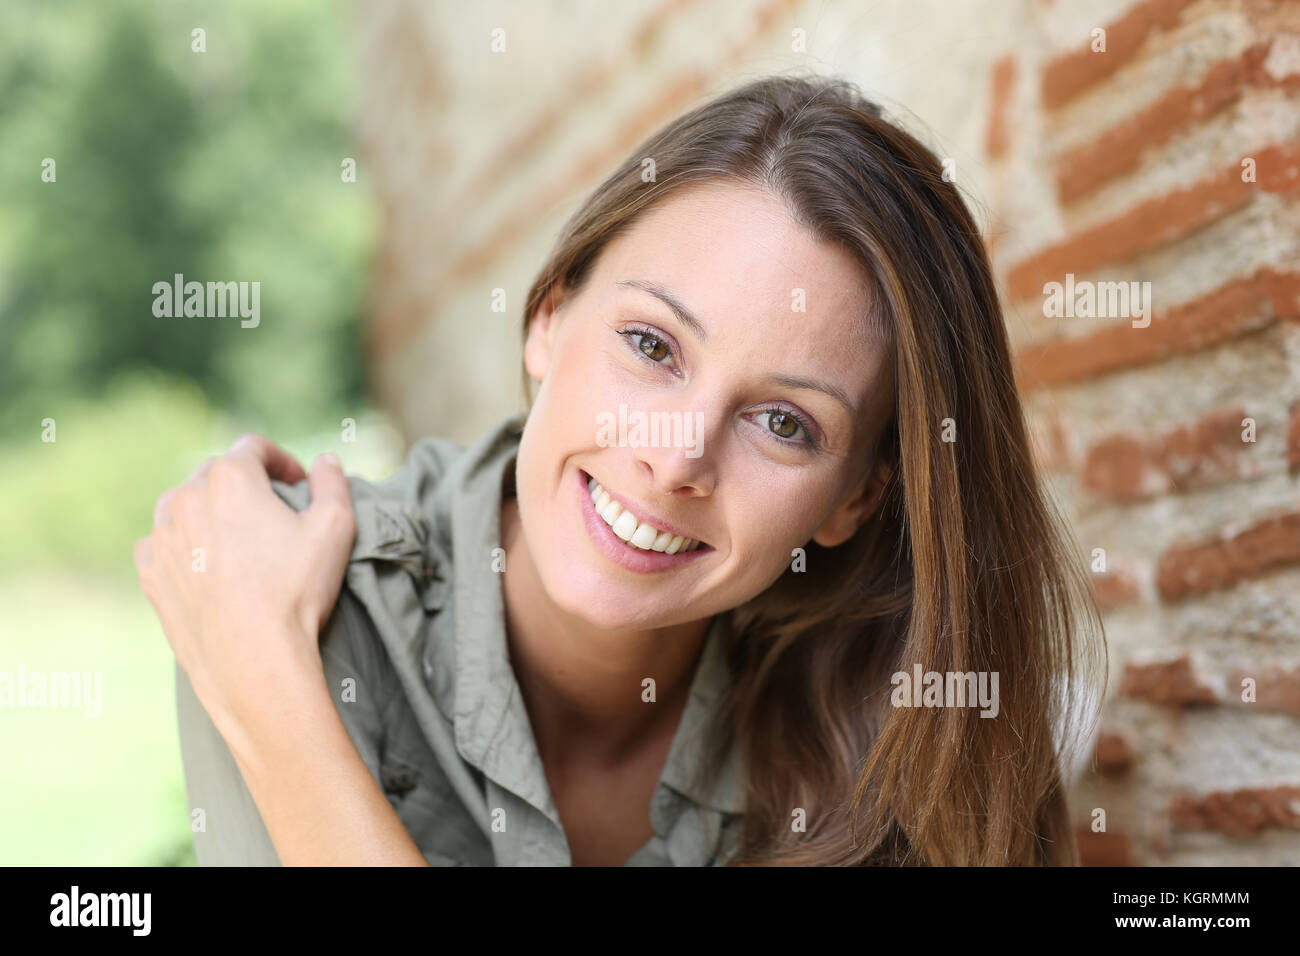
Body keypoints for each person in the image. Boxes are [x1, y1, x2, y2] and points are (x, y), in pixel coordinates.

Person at [134, 73, 1108, 867]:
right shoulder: (295, 590)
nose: (677, 454)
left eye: (782, 420)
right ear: (549, 319)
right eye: (651, 344)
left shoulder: (898, 725)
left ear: (856, 495)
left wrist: (271, 693)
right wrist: (279, 655)